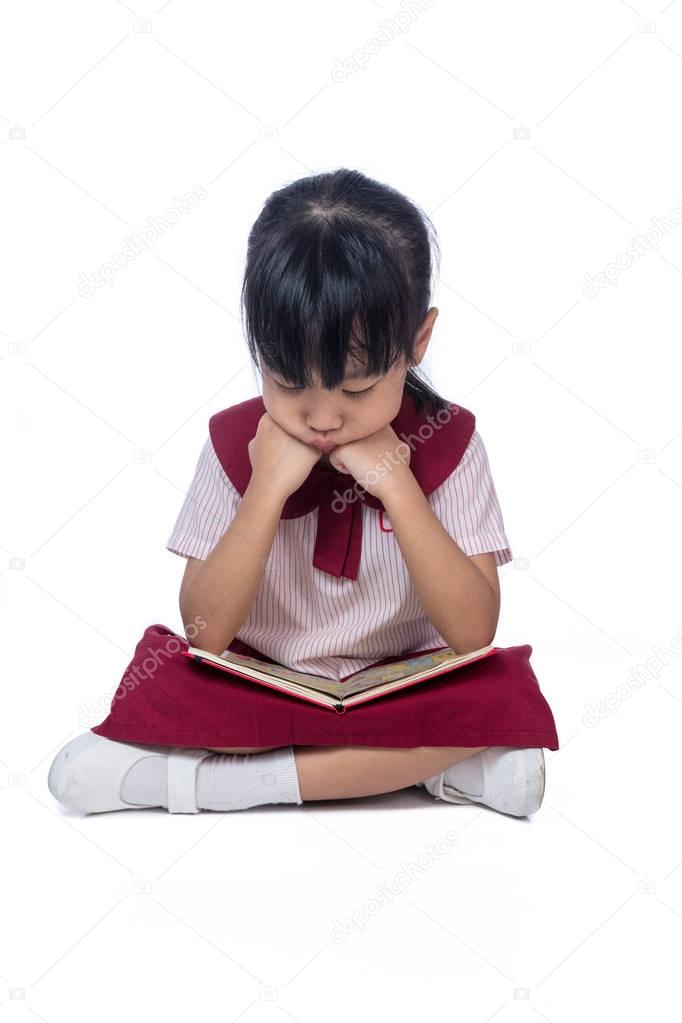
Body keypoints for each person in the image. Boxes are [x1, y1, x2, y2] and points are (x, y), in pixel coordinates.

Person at [47, 168, 556, 818]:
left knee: (498, 688)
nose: (321, 418)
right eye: (289, 383)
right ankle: (439, 768)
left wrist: (397, 484)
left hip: (404, 683)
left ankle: (213, 783)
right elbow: (204, 632)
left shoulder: (449, 443)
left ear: (417, 342)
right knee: (170, 674)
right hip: (263, 681)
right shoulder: (238, 444)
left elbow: (474, 631)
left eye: (354, 390)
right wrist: (264, 490)